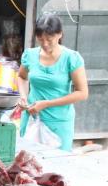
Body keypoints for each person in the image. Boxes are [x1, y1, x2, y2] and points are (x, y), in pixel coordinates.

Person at [16, 14, 88, 151]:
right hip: (32, 118)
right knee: (27, 165)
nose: (44, 44)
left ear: (59, 34)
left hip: (59, 122)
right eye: (40, 39)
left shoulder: (71, 58)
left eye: (49, 39)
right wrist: (23, 96)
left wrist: (47, 103)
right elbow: (21, 77)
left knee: (57, 166)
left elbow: (82, 93)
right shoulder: (30, 55)